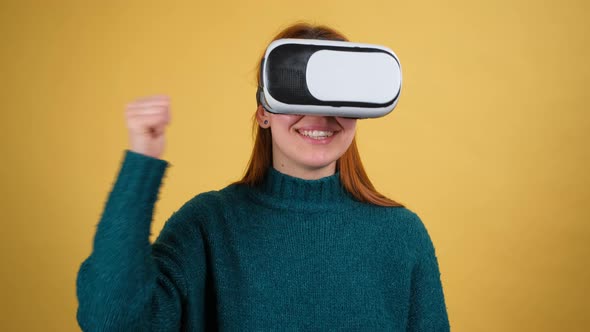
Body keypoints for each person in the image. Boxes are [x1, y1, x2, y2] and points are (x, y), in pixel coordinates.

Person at [76, 23, 450, 331]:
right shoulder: (209, 225)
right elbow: (110, 322)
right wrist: (141, 163)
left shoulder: (402, 236)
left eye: (336, 95)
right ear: (263, 112)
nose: (318, 115)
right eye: (296, 90)